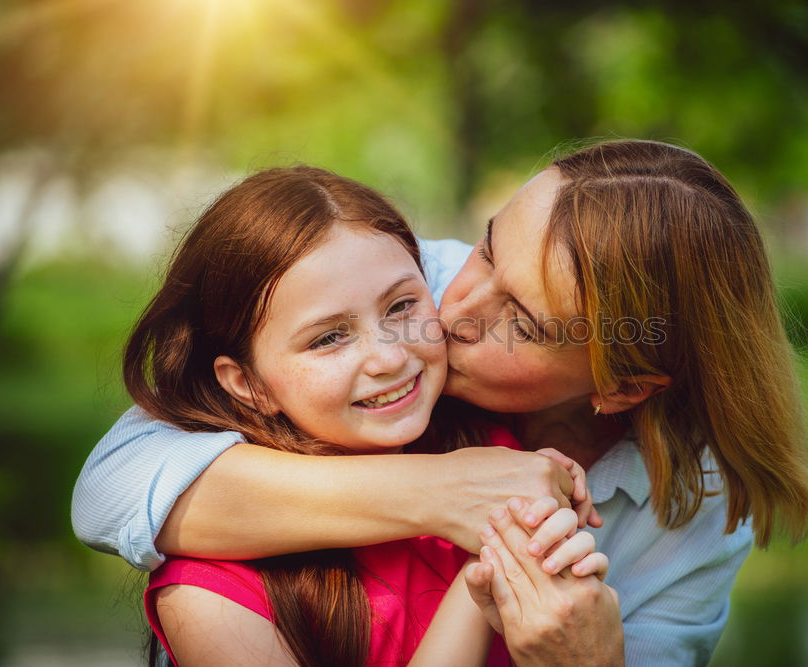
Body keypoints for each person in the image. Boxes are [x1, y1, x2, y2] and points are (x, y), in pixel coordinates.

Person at [74, 140, 808, 664]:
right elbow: (111, 489)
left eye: (525, 322)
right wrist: (444, 492)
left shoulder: (694, 508)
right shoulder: (406, 290)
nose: (456, 308)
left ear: (622, 387)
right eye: (490, 245)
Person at [116, 166, 608, 666]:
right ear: (249, 384)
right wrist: (485, 569)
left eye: (400, 307)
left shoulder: (492, 451)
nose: (389, 357)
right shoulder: (208, 593)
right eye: (329, 337)